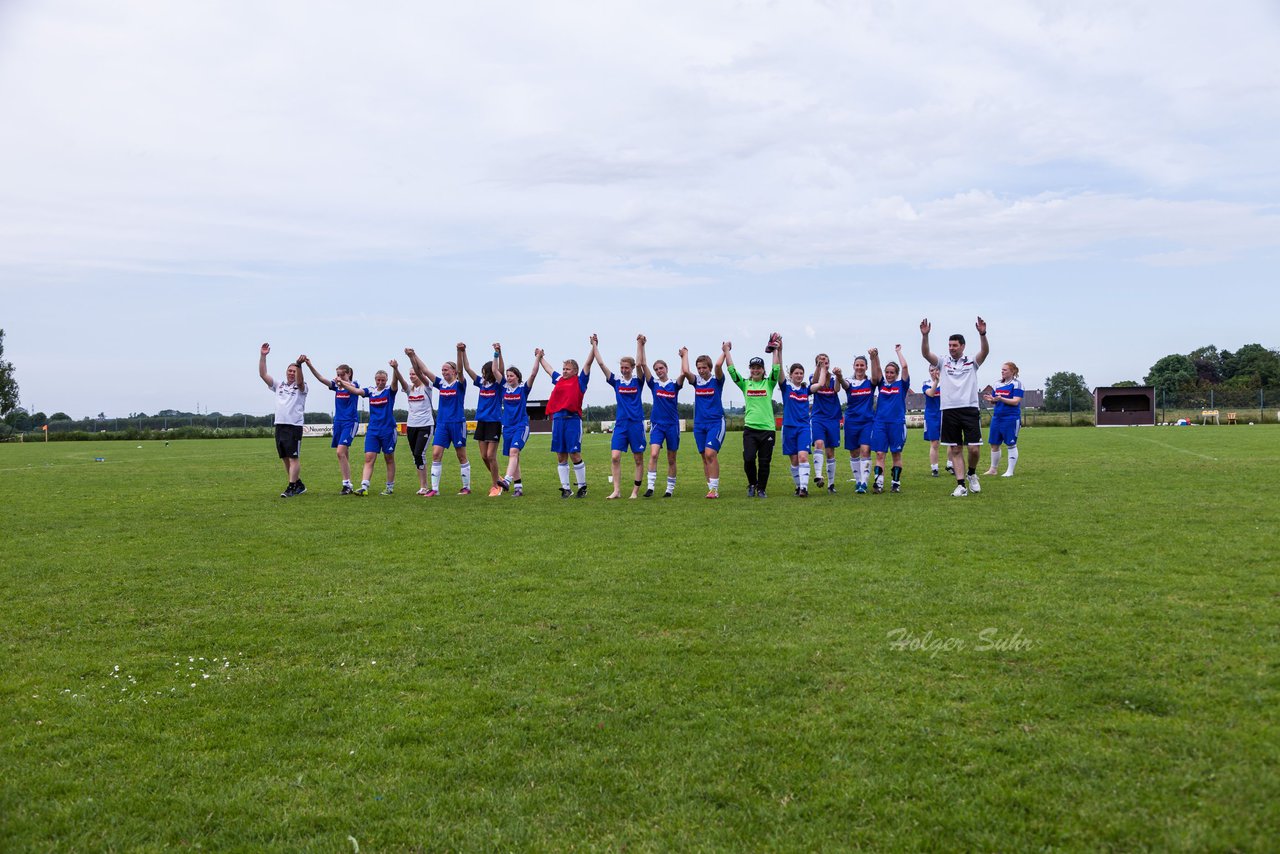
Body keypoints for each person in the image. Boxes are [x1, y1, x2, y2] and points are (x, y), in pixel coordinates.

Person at [920, 317, 989, 497]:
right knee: (956, 449)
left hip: (970, 408)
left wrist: (982, 334)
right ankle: (961, 485)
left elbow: (985, 351)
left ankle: (972, 474)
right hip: (949, 410)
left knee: (974, 448)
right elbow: (926, 354)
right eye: (950, 345)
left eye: (955, 345)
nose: (951, 348)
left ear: (963, 346)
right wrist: (925, 336)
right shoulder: (943, 362)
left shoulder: (972, 361)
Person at [404, 345, 471, 497]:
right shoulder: (440, 384)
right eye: (442, 370)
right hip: (441, 424)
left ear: (453, 371)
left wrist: (459, 352)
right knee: (435, 454)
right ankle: (434, 489)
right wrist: (413, 355)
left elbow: (461, 370)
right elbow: (425, 370)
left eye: (446, 369)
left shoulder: (459, 383)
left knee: (461, 455)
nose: (443, 372)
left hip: (457, 424)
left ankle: (466, 487)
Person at [725, 334, 782, 498]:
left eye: (758, 368)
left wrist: (775, 350)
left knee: (764, 462)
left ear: (763, 370)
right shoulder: (745, 384)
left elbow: (776, 369)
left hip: (768, 429)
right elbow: (731, 371)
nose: (755, 370)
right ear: (750, 369)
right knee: (749, 459)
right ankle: (752, 484)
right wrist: (727, 351)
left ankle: (762, 488)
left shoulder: (769, 383)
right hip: (750, 429)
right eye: (753, 368)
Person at [539, 336, 597, 498]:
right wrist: (540, 357)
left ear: (575, 371)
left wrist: (594, 346)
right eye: (563, 368)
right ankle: (566, 488)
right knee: (560, 454)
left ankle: (582, 487)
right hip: (558, 420)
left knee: (574, 454)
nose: (564, 371)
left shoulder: (580, 381)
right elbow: (548, 369)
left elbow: (588, 363)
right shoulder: (558, 379)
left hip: (572, 420)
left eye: (568, 369)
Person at [334, 361, 402, 495]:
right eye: (378, 380)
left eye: (383, 380)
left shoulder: (389, 391)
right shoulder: (371, 391)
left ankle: (389, 487)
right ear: (375, 380)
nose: (380, 382)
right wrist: (343, 384)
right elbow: (357, 391)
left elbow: (395, 382)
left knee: (389, 458)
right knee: (369, 458)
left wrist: (395, 369)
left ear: (386, 380)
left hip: (388, 429)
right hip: (373, 430)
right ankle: (364, 486)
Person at [594, 336, 647, 500]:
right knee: (615, 457)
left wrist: (639, 344)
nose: (624, 370)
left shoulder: (638, 381)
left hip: (636, 424)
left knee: (638, 459)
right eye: (622, 367)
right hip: (621, 425)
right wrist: (595, 345)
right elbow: (602, 365)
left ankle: (635, 492)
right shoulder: (616, 381)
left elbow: (640, 364)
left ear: (631, 368)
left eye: (626, 367)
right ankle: (616, 491)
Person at [302, 357, 358, 493]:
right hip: (338, 422)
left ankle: (346, 484)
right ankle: (348, 484)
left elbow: (351, 387)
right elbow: (321, 378)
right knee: (344, 453)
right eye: (337, 374)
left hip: (350, 422)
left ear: (349, 374)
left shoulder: (354, 385)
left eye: (342, 374)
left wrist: (341, 382)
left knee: (340, 452)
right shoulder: (337, 386)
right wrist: (310, 365)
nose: (338, 377)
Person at [638, 335, 685, 498]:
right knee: (653, 454)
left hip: (672, 426)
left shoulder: (674, 384)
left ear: (666, 369)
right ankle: (650, 487)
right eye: (656, 369)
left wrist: (683, 356)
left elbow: (684, 373)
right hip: (658, 424)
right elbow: (643, 364)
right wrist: (642, 345)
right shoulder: (654, 384)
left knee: (671, 459)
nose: (659, 371)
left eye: (661, 368)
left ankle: (669, 490)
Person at [779, 341, 826, 498]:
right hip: (789, 428)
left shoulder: (806, 390)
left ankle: (804, 488)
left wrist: (823, 367)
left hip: (804, 428)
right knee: (793, 460)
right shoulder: (786, 387)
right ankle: (798, 486)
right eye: (796, 373)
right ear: (791, 375)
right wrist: (779, 351)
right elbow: (778, 370)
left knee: (803, 456)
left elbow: (819, 384)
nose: (799, 375)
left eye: (801, 373)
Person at [259, 343, 307, 497]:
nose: (292, 373)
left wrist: (299, 365)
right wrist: (263, 356)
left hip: (294, 426)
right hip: (279, 425)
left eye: (295, 371)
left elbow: (299, 382)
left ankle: (292, 486)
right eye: (290, 370)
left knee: (293, 457)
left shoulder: (302, 387)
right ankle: (298, 484)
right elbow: (263, 374)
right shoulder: (279, 385)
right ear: (286, 372)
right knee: (285, 457)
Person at [681, 346, 727, 499]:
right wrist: (685, 355)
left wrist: (725, 351)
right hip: (699, 425)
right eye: (699, 368)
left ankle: (714, 489)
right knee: (704, 456)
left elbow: (719, 366)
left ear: (709, 367)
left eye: (704, 367)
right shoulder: (696, 382)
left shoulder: (717, 380)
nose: (701, 370)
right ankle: (710, 488)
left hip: (715, 423)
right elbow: (686, 372)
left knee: (710, 453)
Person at [460, 342, 506, 496]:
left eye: (484, 372)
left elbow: (501, 370)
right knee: (483, 456)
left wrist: (498, 353)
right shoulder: (482, 383)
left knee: (491, 455)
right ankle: (498, 478)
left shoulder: (499, 385)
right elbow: (467, 368)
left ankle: (496, 486)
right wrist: (463, 351)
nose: (483, 374)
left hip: (494, 422)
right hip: (482, 422)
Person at [497, 348, 543, 497]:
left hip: (521, 426)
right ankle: (518, 488)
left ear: (517, 377)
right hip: (507, 427)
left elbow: (534, 373)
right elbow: (494, 369)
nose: (509, 378)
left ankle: (508, 480)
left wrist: (537, 357)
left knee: (514, 452)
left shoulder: (523, 389)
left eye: (511, 376)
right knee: (514, 456)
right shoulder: (504, 388)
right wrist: (498, 353)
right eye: (507, 376)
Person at [868, 345, 910, 493]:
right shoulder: (882, 384)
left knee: (896, 454)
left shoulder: (902, 385)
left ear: (897, 374)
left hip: (897, 424)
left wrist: (898, 352)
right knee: (879, 453)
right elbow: (877, 369)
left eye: (892, 372)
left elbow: (904, 366)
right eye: (887, 372)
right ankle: (878, 483)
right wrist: (875, 356)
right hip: (880, 423)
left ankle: (895, 482)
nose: (889, 375)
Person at [833, 355, 875, 494]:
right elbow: (844, 385)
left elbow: (876, 375)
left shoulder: (870, 382)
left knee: (865, 450)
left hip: (867, 421)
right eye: (857, 365)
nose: (859, 367)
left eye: (862, 365)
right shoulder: (849, 381)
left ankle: (864, 482)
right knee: (854, 452)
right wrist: (839, 376)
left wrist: (874, 357)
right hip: (851, 421)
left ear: (866, 367)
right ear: (853, 366)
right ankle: (857, 481)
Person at [984, 361, 1024, 477]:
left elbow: (1016, 401)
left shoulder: (1017, 384)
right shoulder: (997, 384)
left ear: (1012, 371)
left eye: (1005, 370)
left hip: (1011, 418)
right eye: (1002, 370)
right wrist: (991, 399)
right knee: (994, 444)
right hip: (997, 418)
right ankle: (993, 469)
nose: (1002, 372)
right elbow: (995, 401)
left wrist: (1001, 399)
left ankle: (1010, 471)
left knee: (1011, 444)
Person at [809, 353, 841, 493]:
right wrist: (820, 368)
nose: (824, 364)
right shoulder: (813, 376)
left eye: (826, 362)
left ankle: (831, 484)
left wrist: (839, 376)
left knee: (830, 452)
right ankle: (818, 475)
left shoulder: (833, 378)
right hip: (818, 418)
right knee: (819, 444)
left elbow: (837, 389)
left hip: (832, 418)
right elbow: (816, 382)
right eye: (821, 362)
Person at [402, 365, 435, 495]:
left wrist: (412, 358)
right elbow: (401, 381)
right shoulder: (409, 389)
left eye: (414, 374)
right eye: (410, 374)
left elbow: (424, 377)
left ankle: (425, 486)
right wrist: (396, 368)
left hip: (425, 425)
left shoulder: (427, 387)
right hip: (411, 426)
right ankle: (422, 485)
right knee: (416, 456)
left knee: (419, 453)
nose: (411, 376)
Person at [922, 363, 943, 477]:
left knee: (951, 441)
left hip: (946, 414)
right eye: (931, 370)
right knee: (934, 442)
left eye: (935, 370)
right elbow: (930, 394)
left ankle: (950, 465)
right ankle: (934, 468)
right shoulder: (926, 384)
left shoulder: (946, 383)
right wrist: (936, 381)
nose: (933, 372)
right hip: (932, 416)